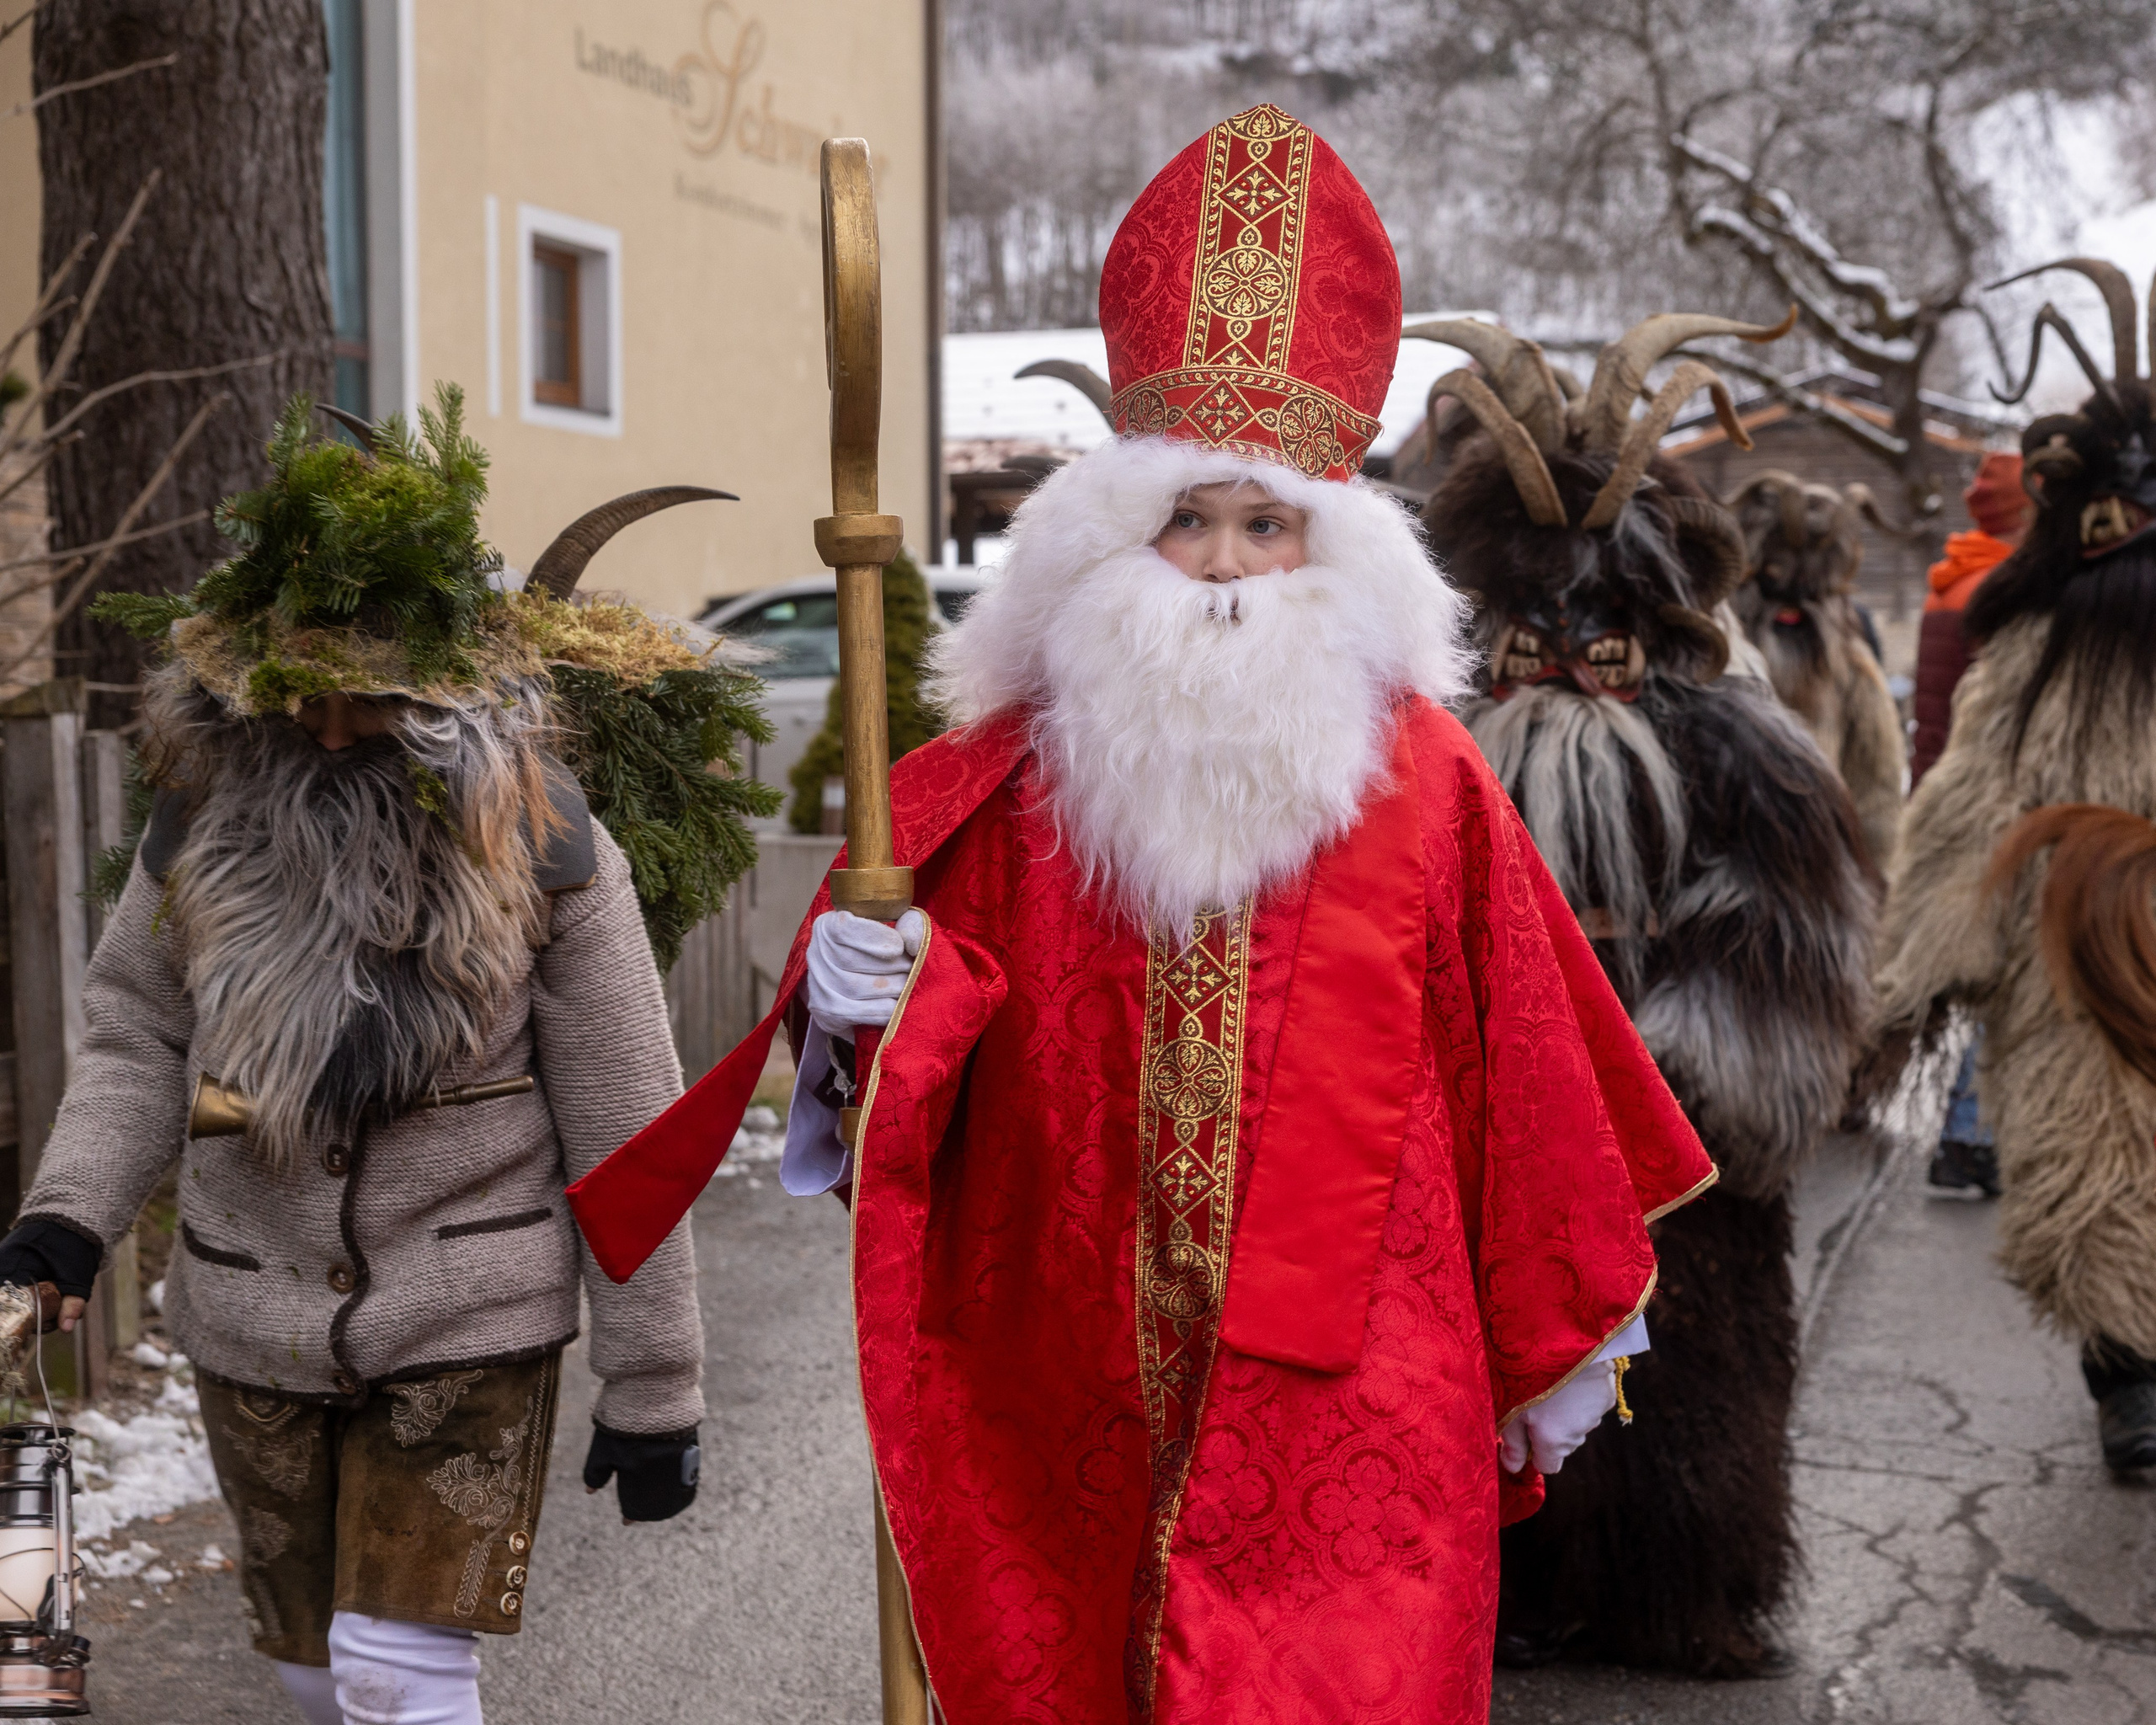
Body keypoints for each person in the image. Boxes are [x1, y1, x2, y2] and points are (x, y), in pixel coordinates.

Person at [569, 104, 1712, 1722]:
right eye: (1190, 520)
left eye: (1268, 524)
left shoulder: (1433, 780)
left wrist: (1559, 1327)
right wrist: (859, 990)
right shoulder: (1008, 783)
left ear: (1337, 543)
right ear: (1115, 534)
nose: (1230, 566)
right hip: (1067, 1370)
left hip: (1364, 1405)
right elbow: (903, 1075)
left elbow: (1518, 1062)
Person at [0, 393, 746, 1725]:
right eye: (305, 697)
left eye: (377, 699)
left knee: (400, 1676)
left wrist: (655, 1385)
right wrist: (67, 1219)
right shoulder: (204, 826)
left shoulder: (550, 845)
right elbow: (134, 1036)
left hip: (471, 1320)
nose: (337, 730)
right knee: (310, 1674)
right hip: (251, 1314)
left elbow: (633, 1126)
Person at [1411, 312, 1878, 1674]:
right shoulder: (1420, 746)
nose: (1560, 644)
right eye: (1529, 615)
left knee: (1686, 1355)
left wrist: (1688, 1071)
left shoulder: (1732, 740)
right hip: (1482, 1111)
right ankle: (1486, 1577)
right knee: (1474, 1344)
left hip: (1671, 1121)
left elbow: (1789, 923)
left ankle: (1679, 1585)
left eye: (1596, 618)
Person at [1873, 259, 2156, 1474]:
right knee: (2096, 1177)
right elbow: (1970, 797)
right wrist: (1924, 963)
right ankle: (2130, 1379)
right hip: (2069, 960)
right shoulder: (2030, 650)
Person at [1912, 452, 2028, 1199]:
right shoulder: (2008, 591)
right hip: (2005, 801)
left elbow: (1931, 719)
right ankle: (1969, 1134)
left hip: (1955, 800)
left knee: (1993, 974)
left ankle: (1969, 1133)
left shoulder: (1950, 582)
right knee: (2015, 974)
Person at [1726, 471, 1907, 873]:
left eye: (1811, 586)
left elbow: (1876, 776)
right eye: (1775, 575)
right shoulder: (1726, 652)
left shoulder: (1851, 645)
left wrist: (1874, 867)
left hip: (1826, 859)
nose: (1793, 598)